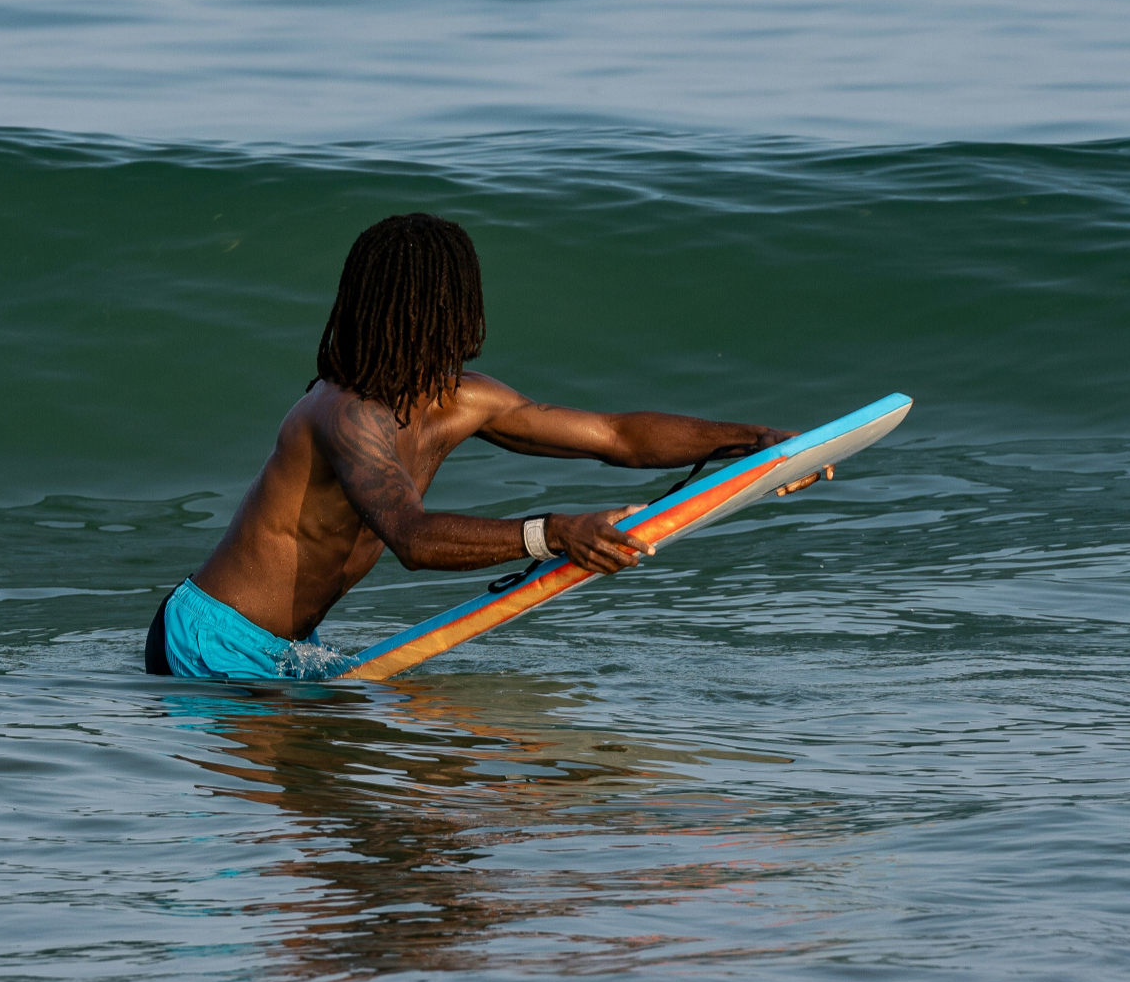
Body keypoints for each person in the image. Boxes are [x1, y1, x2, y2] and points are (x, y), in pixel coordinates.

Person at [146, 211, 805, 682]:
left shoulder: (465, 398)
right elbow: (413, 537)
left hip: (292, 647)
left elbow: (616, 435)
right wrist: (553, 533)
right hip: (212, 643)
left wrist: (754, 442)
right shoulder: (344, 415)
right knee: (315, 838)